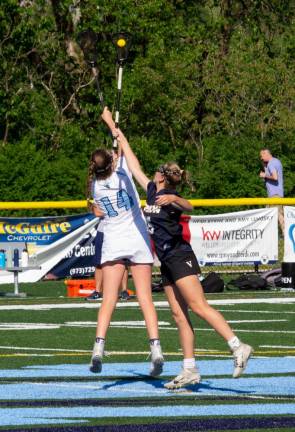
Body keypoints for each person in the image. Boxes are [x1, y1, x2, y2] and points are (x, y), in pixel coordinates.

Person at [102, 107, 253, 389]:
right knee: (177, 314)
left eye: (159, 170)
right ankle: (189, 369)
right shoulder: (149, 189)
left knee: (197, 306)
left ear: (164, 176)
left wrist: (174, 197)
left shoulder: (172, 197)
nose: (155, 171)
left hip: (180, 255)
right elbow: (131, 161)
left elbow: (190, 206)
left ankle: (237, 346)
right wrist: (114, 127)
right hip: (166, 262)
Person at [87, 110, 164, 376]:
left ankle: (98, 347)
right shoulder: (123, 172)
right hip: (137, 238)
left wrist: (112, 149)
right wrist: (112, 125)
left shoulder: (95, 184)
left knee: (108, 299)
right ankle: (155, 348)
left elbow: (97, 207)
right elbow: (128, 153)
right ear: (112, 162)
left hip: (113, 241)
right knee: (145, 298)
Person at [259, 148, 284, 234]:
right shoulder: (276, 161)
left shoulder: (271, 163)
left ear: (266, 154)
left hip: (274, 195)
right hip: (275, 195)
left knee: (279, 217)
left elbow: (275, 177)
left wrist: (264, 175)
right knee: (269, 216)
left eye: (261, 156)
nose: (261, 158)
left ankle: (286, 235)